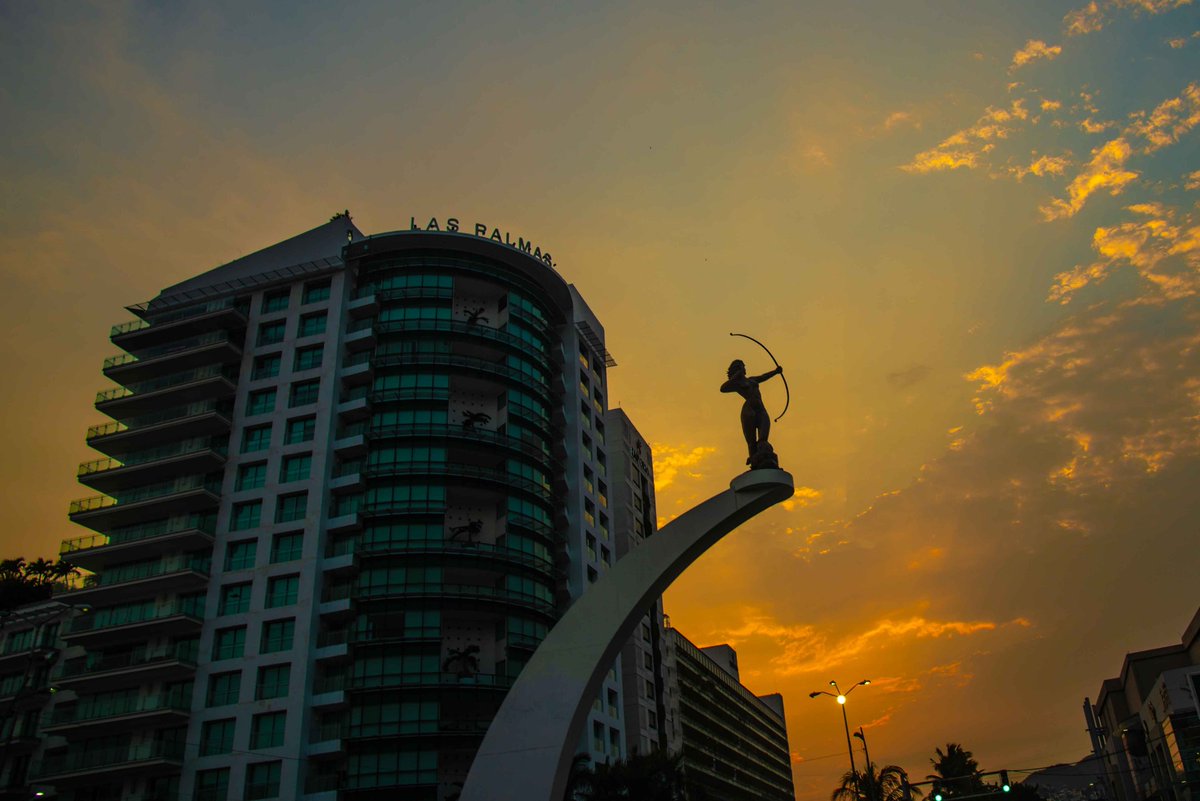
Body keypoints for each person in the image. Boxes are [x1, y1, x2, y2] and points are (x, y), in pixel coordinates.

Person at [721, 359, 783, 466]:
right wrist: (736, 376)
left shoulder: (752, 380)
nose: (743, 369)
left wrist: (775, 371)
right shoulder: (737, 384)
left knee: (763, 438)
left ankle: (764, 457)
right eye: (740, 367)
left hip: (761, 409)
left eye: (743, 366)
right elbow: (723, 388)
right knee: (751, 441)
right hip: (749, 409)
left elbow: (763, 377)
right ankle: (754, 461)